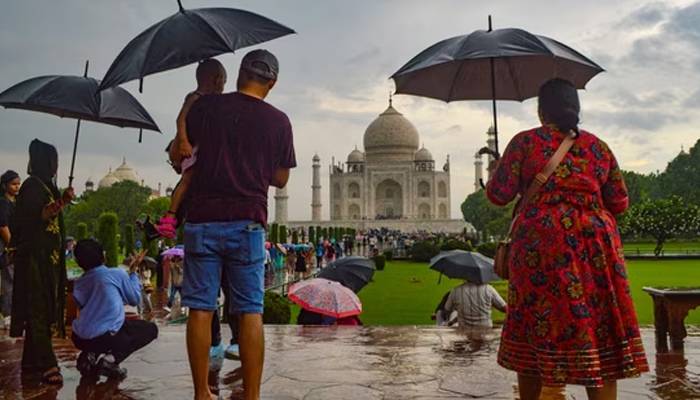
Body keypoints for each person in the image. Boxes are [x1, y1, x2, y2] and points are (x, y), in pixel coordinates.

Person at [486, 78, 648, 400]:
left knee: (536, 323)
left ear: (540, 110)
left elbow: (498, 195)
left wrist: (497, 170)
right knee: (598, 327)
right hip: (595, 244)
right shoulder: (597, 147)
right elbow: (619, 202)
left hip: (541, 243)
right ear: (576, 108)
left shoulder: (525, 143)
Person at [173, 49, 295, 400]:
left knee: (200, 308)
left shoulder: (207, 108)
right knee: (250, 311)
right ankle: (252, 395)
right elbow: (281, 178)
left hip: (203, 219)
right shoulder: (279, 120)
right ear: (272, 82)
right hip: (248, 223)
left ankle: (201, 393)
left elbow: (180, 152)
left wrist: (187, 114)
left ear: (239, 73)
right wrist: (252, 165)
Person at [10, 139, 74, 385]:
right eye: (53, 160)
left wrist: (62, 199)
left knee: (44, 307)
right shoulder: (32, 186)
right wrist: (64, 202)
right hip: (35, 261)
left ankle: (31, 363)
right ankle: (47, 363)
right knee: (38, 308)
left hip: (48, 260)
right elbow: (41, 215)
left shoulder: (46, 186)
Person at [155, 59, 228, 238]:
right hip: (192, 149)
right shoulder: (194, 97)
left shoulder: (210, 101)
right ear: (217, 79)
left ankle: (172, 218)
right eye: (224, 82)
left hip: (199, 150)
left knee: (188, 182)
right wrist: (184, 142)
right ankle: (171, 216)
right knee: (187, 180)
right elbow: (180, 120)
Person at [71, 240, 158, 380]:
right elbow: (134, 299)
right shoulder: (117, 274)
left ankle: (88, 356)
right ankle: (110, 360)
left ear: (78, 261)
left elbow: (82, 304)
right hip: (106, 336)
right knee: (148, 329)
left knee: (110, 330)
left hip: (79, 337)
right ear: (103, 256)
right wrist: (134, 273)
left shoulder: (79, 282)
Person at [0, 170, 20, 323]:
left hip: (16, 244)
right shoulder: (3, 203)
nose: (17, 187)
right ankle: (7, 314)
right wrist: (11, 246)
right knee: (9, 279)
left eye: (18, 184)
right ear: (5, 185)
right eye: (13, 184)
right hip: (7, 246)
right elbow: (3, 226)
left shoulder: (16, 203)